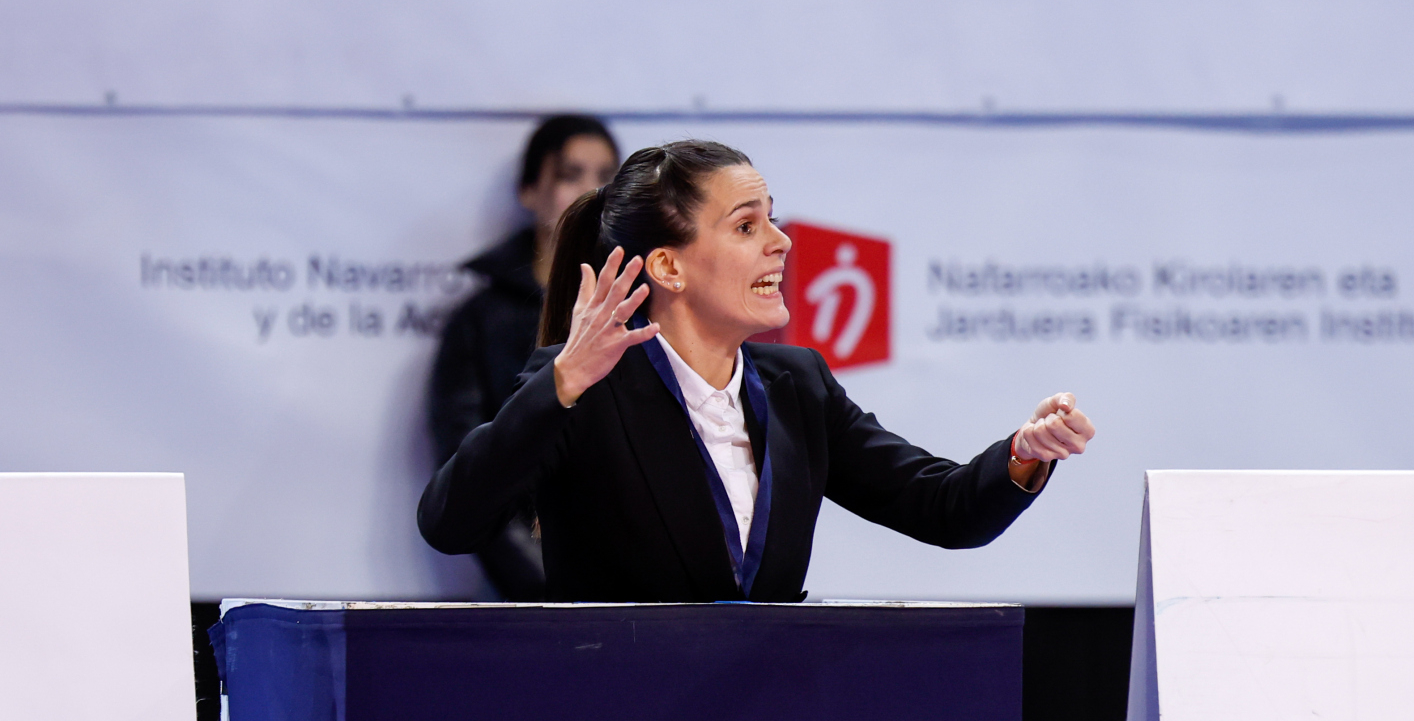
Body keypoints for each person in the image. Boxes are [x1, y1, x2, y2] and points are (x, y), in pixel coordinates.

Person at [418, 140, 1095, 602]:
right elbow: (450, 523)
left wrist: (1023, 454)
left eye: (772, 219)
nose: (782, 241)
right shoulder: (582, 384)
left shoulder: (797, 384)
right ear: (669, 266)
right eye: (747, 227)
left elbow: (942, 508)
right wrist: (561, 385)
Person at [427, 114, 620, 598]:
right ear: (530, 191)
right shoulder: (479, 321)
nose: (591, 192)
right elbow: (469, 474)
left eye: (606, 177)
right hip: (531, 598)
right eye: (571, 175)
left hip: (643, 590)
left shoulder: (647, 306)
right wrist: (550, 590)